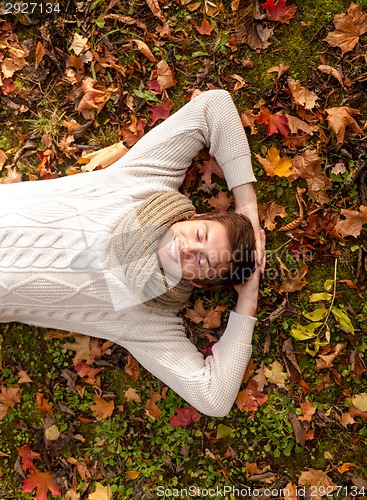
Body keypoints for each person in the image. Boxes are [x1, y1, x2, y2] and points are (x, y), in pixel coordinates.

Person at [0, 90, 264, 417]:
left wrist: (248, 298)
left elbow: (214, 398)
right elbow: (214, 106)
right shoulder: (145, 182)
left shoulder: (147, 320)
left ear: (198, 284)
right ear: (193, 218)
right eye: (200, 235)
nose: (189, 248)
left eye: (203, 261)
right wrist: (248, 207)